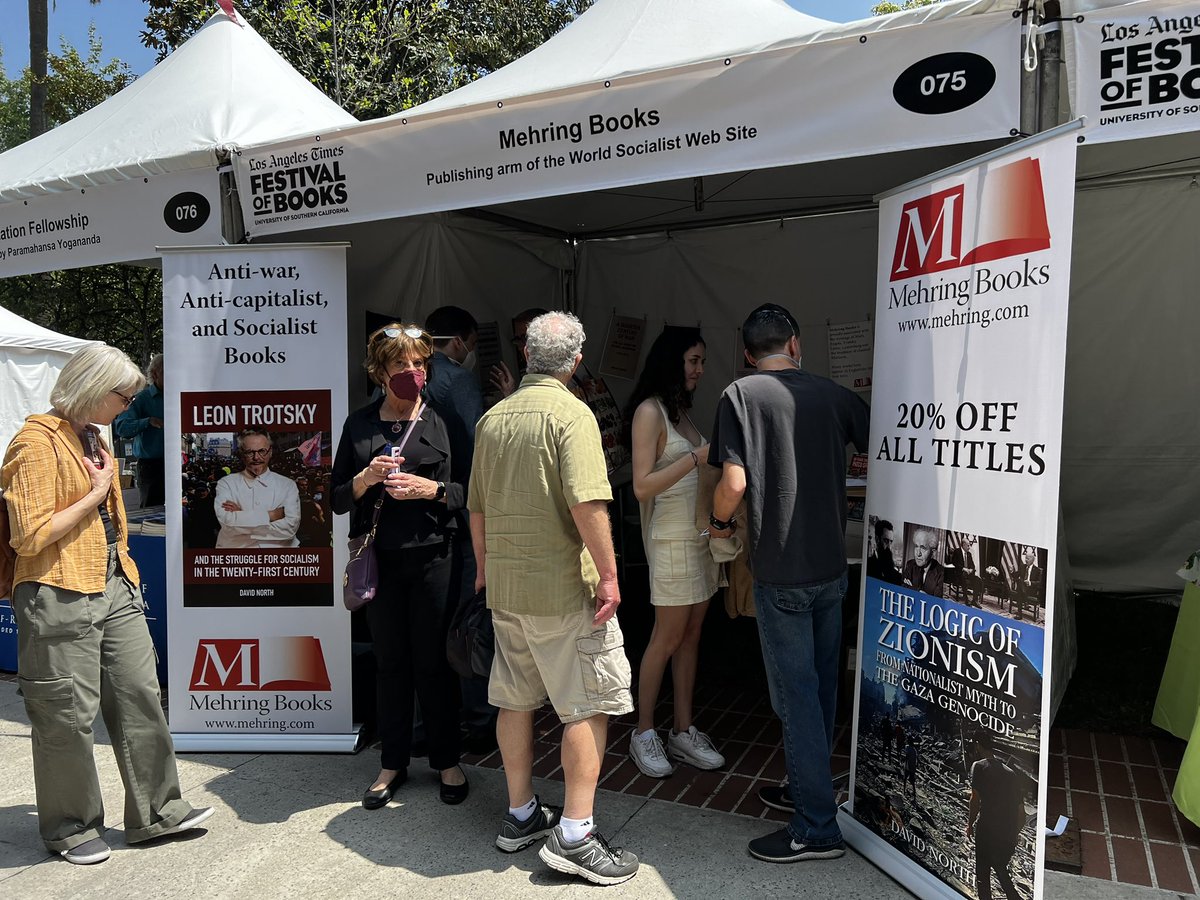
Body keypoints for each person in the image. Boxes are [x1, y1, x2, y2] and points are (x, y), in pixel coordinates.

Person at [1, 344, 213, 866]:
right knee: (66, 716)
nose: (129, 405)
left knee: (140, 693)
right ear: (94, 387)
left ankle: (158, 811)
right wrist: (97, 494)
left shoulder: (93, 436)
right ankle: (71, 828)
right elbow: (29, 537)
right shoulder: (33, 444)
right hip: (57, 588)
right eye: (124, 396)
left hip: (114, 582)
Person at [469, 311, 640, 885]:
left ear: (525, 358)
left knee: (514, 700)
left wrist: (484, 569)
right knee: (585, 705)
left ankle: (521, 814)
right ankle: (575, 833)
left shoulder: (493, 418)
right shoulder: (573, 414)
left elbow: (476, 507)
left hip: (508, 590)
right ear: (576, 359)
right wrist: (612, 577)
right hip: (566, 590)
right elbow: (589, 504)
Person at [707, 303, 869, 863]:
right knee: (821, 689)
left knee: (796, 696)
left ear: (748, 354)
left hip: (779, 568)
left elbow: (732, 481)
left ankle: (816, 827)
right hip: (832, 565)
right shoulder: (832, 394)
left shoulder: (740, 395)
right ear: (795, 344)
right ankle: (810, 789)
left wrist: (719, 521)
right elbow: (880, 443)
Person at [331, 323, 467, 808]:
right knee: (391, 664)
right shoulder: (360, 425)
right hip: (379, 561)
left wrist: (432, 490)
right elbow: (337, 498)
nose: (413, 373)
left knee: (433, 662)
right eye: (401, 366)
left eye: (419, 364)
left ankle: (447, 761)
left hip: (435, 556)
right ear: (379, 372)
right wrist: (366, 478)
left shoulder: (444, 419)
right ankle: (392, 762)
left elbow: (472, 491)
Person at [623, 326, 723, 778]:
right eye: (693, 361)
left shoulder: (680, 411)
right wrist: (696, 459)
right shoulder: (650, 412)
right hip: (671, 541)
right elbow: (641, 487)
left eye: (701, 361)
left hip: (699, 538)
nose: (700, 370)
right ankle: (644, 730)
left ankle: (683, 730)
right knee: (666, 637)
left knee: (691, 637)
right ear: (672, 361)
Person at [425, 305, 495, 751]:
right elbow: (481, 440)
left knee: (433, 616)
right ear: (459, 342)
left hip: (422, 514)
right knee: (470, 616)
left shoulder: (406, 376)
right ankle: (480, 720)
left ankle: (437, 715)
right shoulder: (461, 380)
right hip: (464, 506)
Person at [213, 429, 301, 548]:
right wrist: (271, 516)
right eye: (250, 452)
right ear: (241, 453)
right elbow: (227, 523)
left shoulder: (288, 485)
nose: (256, 457)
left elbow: (290, 528)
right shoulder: (226, 483)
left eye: (262, 451)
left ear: (270, 452)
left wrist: (241, 517)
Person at [966, 735, 1028, 900]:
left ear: (978, 745)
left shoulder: (978, 767)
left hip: (986, 828)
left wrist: (970, 824)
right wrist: (1013, 834)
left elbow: (975, 800)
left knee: (983, 873)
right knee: (1000, 867)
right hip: (1005, 831)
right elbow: (1022, 813)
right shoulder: (1012, 774)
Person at [114, 353, 165, 507]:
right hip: (151, 466)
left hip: (176, 464)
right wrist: (148, 421)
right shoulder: (142, 399)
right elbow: (122, 428)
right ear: (155, 374)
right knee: (152, 511)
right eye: (166, 372)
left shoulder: (178, 396)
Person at [489, 306, 548, 397]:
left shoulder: (567, 374)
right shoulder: (530, 375)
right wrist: (510, 394)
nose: (521, 347)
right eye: (517, 339)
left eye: (525, 338)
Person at [902, 527, 944, 598]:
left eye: (923, 548)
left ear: (933, 552)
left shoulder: (940, 572)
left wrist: (910, 588)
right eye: (916, 546)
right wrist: (918, 592)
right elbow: (902, 586)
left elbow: (936, 601)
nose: (918, 553)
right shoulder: (910, 565)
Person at [866, 518, 902, 585]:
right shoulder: (867, 566)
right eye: (886, 541)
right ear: (877, 539)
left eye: (891, 541)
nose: (889, 546)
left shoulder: (897, 576)